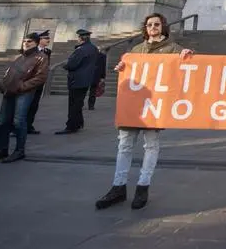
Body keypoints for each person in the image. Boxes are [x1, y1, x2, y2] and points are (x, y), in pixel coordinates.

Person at [96, 13, 194, 210]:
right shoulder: (136, 50)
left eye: (157, 24)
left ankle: (143, 186)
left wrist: (187, 55)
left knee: (151, 145)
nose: (153, 27)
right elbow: (130, 71)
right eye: (149, 24)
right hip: (133, 106)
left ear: (163, 26)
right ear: (145, 28)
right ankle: (118, 186)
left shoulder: (173, 49)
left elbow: (189, 66)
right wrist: (123, 67)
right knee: (124, 145)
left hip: (155, 106)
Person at [0, 33, 49, 163]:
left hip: (24, 92)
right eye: (24, 41)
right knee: (3, 121)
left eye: (29, 41)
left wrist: (22, 86)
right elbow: (9, 73)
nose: (26, 43)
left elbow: (41, 77)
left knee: (19, 121)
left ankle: (19, 151)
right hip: (9, 91)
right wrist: (3, 84)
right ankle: (1, 149)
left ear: (36, 43)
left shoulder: (41, 57)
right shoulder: (19, 57)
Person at [57, 29, 99, 134]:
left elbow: (72, 64)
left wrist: (65, 66)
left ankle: (71, 126)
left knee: (74, 104)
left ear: (80, 38)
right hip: (86, 79)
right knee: (79, 102)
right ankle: (79, 122)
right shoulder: (93, 48)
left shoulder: (81, 50)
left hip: (76, 80)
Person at [26, 30, 51, 135]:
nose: (48, 40)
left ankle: (29, 125)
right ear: (40, 40)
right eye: (46, 39)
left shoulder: (47, 51)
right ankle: (18, 126)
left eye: (49, 39)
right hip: (28, 81)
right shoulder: (30, 50)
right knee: (25, 104)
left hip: (39, 82)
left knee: (34, 105)